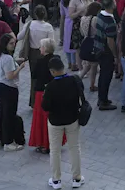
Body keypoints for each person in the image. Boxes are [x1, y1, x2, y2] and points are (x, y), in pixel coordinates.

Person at [43, 56, 85, 190]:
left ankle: (56, 180)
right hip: (72, 119)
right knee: (74, 148)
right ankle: (77, 178)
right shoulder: (74, 80)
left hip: (55, 122)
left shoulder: (50, 87)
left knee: (55, 150)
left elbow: (45, 106)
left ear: (52, 71)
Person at [0, 33, 27, 151]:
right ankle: (8, 142)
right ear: (5, 44)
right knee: (9, 115)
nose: (14, 45)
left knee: (2, 113)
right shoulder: (7, 58)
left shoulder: (0, 55)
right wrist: (20, 67)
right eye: (11, 43)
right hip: (8, 88)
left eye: (14, 43)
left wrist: (16, 61)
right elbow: (10, 75)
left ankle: (1, 138)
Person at [17, 5, 55, 106]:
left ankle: (34, 101)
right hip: (45, 52)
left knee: (34, 77)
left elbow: (19, 36)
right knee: (47, 77)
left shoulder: (30, 24)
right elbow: (52, 42)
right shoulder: (48, 27)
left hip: (32, 53)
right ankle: (46, 99)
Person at [29, 38, 57, 154]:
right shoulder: (56, 59)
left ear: (45, 49)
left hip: (42, 93)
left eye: (41, 46)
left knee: (42, 119)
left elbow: (34, 75)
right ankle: (54, 142)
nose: (40, 48)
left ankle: (44, 143)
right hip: (55, 92)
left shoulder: (40, 62)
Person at [94, 0, 118, 110]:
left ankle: (101, 98)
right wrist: (115, 55)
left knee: (102, 75)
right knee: (106, 76)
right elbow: (110, 41)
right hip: (105, 51)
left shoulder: (100, 15)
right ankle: (103, 101)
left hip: (98, 48)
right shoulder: (110, 22)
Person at [79, 1, 101, 92]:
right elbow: (97, 31)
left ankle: (78, 79)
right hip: (93, 43)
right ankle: (92, 84)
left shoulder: (83, 18)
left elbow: (81, 31)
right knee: (94, 65)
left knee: (87, 65)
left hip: (85, 41)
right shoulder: (95, 19)